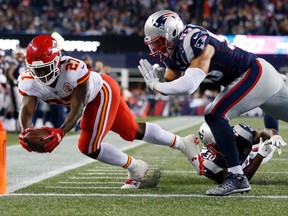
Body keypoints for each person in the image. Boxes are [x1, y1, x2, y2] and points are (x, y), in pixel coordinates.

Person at [18, 34, 202, 189]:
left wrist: (61, 132)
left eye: (45, 69)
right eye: (37, 70)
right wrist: (25, 131)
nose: (41, 75)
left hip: (101, 92)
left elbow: (78, 107)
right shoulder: (27, 80)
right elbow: (26, 109)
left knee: (88, 146)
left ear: (58, 61)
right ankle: (182, 143)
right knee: (131, 131)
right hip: (94, 98)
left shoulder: (74, 69)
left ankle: (135, 167)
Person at [138, 10, 288, 195]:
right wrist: (161, 80)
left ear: (173, 32)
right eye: (152, 44)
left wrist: (156, 86)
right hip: (256, 79)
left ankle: (236, 177)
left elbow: (189, 85)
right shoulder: (175, 49)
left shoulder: (193, 40)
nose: (156, 48)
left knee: (215, 113)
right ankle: (237, 177)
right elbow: (172, 79)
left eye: (159, 42)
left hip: (255, 73)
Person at [197, 122, 282, 184]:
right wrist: (261, 154)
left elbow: (264, 132)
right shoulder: (208, 163)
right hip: (236, 167)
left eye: (225, 138)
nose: (224, 144)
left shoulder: (241, 133)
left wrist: (274, 136)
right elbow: (239, 179)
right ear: (209, 148)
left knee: (271, 145)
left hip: (246, 156)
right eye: (218, 144)